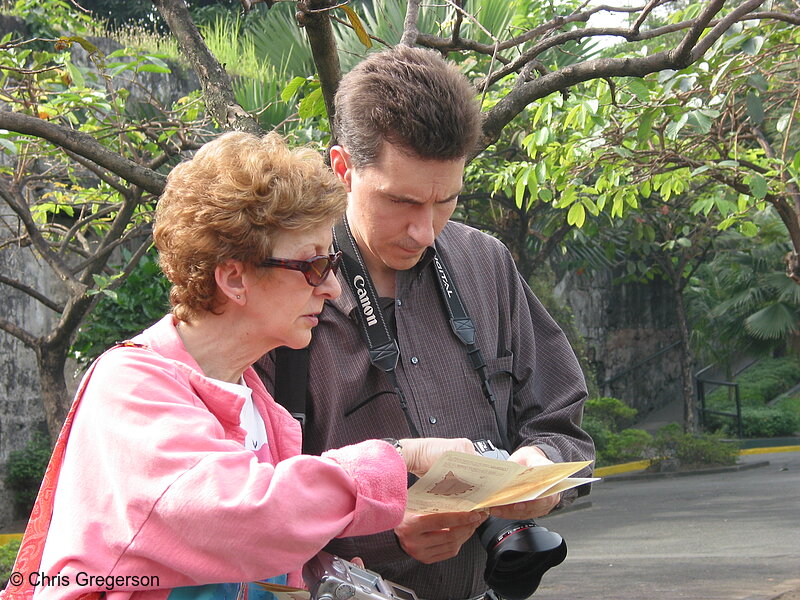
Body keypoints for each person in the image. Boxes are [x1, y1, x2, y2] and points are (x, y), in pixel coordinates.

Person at [3, 132, 478, 600]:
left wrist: (315, 574)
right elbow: (242, 515)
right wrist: (399, 456)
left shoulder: (254, 401)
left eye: (330, 260)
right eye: (312, 265)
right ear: (234, 277)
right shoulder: (130, 387)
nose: (332, 287)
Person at [256, 47, 595, 600]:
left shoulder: (485, 264)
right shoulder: (283, 284)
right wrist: (376, 521)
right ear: (342, 168)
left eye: (447, 201)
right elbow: (242, 498)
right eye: (402, 201)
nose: (425, 231)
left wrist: (542, 473)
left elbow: (561, 424)